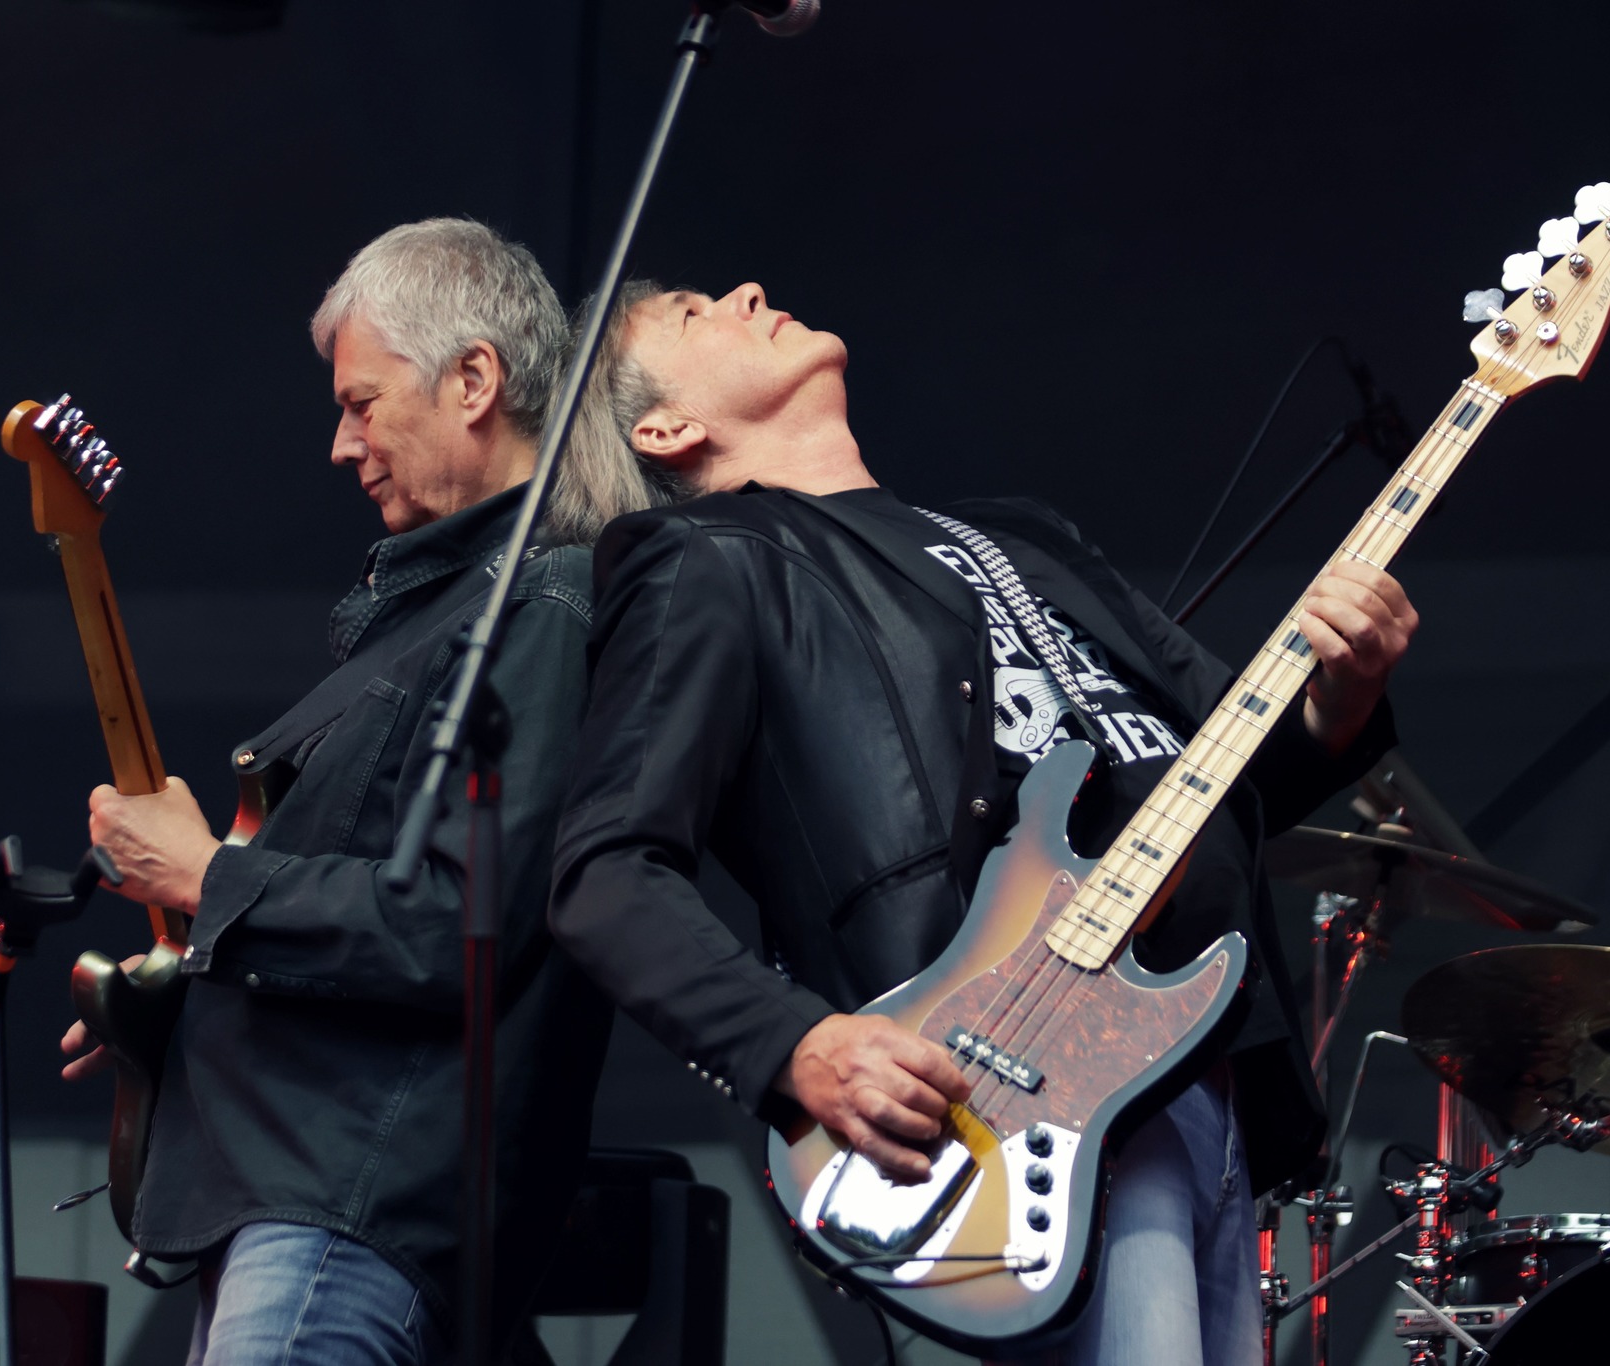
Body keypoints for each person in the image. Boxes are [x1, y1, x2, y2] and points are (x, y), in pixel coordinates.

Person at [547, 280, 1418, 1365]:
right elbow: (607, 870)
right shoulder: (712, 556)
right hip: (1003, 1093)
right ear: (666, 428)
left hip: (1192, 1066)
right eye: (691, 311)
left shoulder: (1023, 540)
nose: (747, 292)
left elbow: (1219, 781)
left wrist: (1342, 699)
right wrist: (794, 1045)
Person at [61, 219, 669, 1365]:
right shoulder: (450, 614)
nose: (341, 444)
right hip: (303, 1206)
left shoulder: (542, 605)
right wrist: (187, 989)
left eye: (361, 403)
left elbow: (455, 923)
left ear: (474, 379)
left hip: (346, 1215)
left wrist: (206, 876)